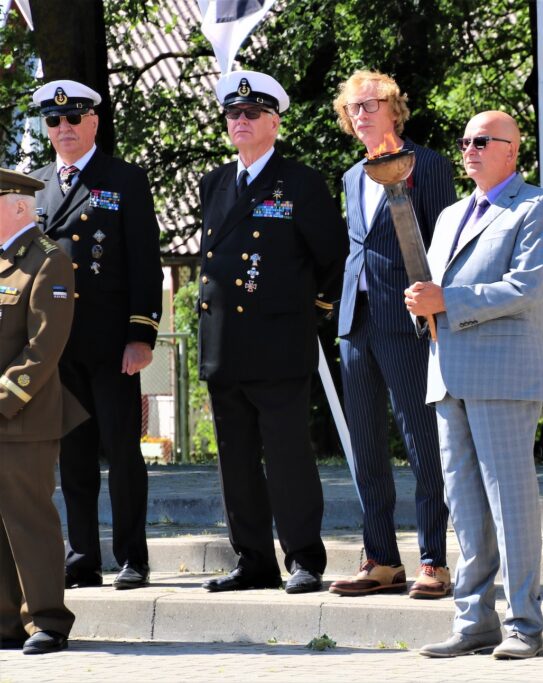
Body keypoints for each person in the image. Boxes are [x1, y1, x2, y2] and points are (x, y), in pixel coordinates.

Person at [406, 111, 543, 659]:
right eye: (464, 141)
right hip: (447, 375)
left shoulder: (537, 207)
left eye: (481, 141)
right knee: (465, 506)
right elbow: (433, 290)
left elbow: (526, 287)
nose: (469, 149)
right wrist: (421, 304)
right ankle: (474, 621)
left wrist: (446, 301)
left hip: (503, 375)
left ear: (511, 151)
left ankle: (524, 625)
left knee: (510, 505)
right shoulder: (450, 214)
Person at [196, 70, 343, 595]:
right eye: (233, 113)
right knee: (235, 460)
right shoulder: (214, 182)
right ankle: (253, 559)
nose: (240, 120)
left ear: (274, 122)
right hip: (224, 344)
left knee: (287, 458)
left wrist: (309, 312)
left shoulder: (299, 182)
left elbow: (333, 257)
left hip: (278, 343)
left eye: (252, 113)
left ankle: (303, 557)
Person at [29, 80, 163, 591]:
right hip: (56, 345)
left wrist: (141, 335)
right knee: (74, 456)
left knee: (123, 453)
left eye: (73, 118)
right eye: (53, 120)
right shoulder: (34, 186)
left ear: (93, 122)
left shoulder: (123, 179)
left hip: (111, 344)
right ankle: (82, 556)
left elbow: (144, 263)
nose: (63, 128)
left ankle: (132, 558)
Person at [328, 70, 456, 600]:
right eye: (352, 108)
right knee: (365, 448)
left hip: (408, 321)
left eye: (370, 104)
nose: (360, 114)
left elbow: (445, 242)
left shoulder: (428, 165)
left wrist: (439, 306)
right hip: (355, 323)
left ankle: (433, 561)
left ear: (394, 108)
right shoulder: (351, 175)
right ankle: (380, 558)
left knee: (424, 445)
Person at [0, 169, 78, 654]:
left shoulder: (49, 261)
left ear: (16, 206)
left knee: (29, 520)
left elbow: (44, 347)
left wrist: (4, 398)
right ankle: (7, 621)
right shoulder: (4, 262)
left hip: (23, 417)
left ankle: (47, 618)